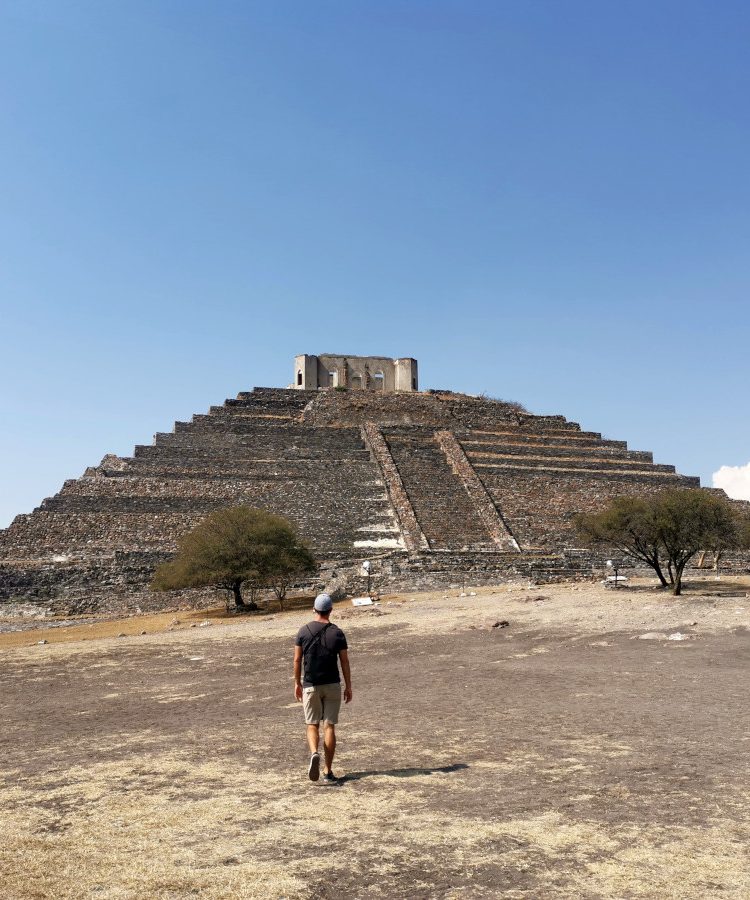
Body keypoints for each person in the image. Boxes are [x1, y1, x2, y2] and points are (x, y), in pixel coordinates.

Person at [294, 592, 352, 783]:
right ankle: (328, 771)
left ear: (314, 609)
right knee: (329, 726)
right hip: (333, 684)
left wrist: (297, 682)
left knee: (312, 724)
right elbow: (344, 662)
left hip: (311, 684)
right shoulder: (337, 632)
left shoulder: (303, 631)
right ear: (331, 611)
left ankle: (313, 753)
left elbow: (297, 659)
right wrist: (348, 685)